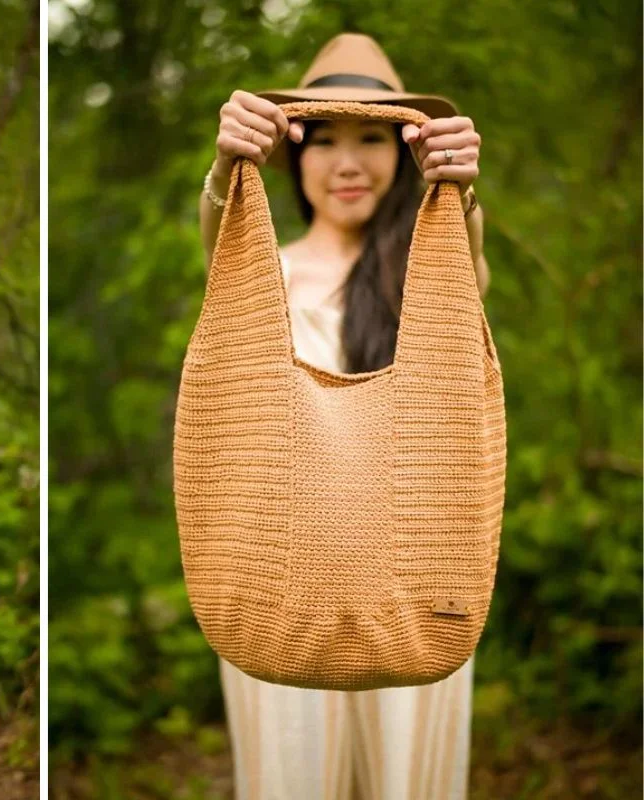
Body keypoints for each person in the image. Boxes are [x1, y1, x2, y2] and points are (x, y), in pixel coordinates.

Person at [198, 33, 488, 799]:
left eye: (372, 137)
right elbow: (218, 239)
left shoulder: (431, 261)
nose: (348, 163)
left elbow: (472, 277)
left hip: (414, 581)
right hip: (284, 585)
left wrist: (462, 191)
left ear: (405, 151)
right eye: (323, 139)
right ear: (293, 156)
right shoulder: (265, 265)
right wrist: (226, 172)